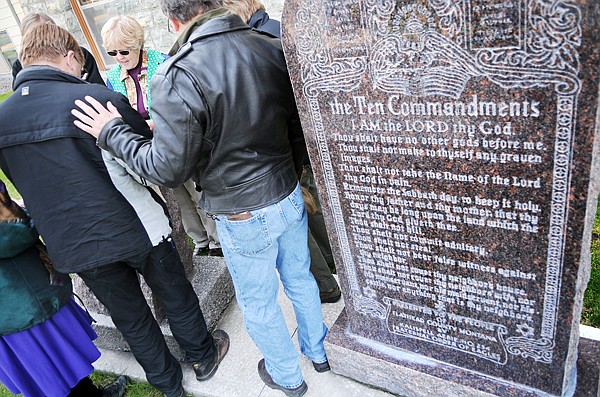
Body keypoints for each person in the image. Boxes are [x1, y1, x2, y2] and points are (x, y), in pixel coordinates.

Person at [72, 1, 330, 396]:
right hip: (283, 191)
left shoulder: (178, 73)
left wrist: (112, 131)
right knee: (298, 277)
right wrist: (293, 176)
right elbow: (296, 129)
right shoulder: (267, 43)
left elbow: (165, 170)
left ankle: (287, 375)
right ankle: (318, 351)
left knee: (260, 301)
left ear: (173, 19)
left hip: (243, 208)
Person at [0, 23, 228, 397]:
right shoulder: (95, 98)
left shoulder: (4, 120)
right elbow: (144, 158)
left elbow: (16, 181)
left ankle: (168, 383)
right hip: (132, 223)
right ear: (71, 56)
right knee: (174, 293)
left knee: (130, 317)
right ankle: (202, 356)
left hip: (73, 242)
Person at [223, 0, 341, 303]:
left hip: (286, 143)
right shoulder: (274, 29)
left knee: (300, 211)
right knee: (312, 205)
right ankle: (335, 262)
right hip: (303, 137)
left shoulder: (261, 40)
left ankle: (326, 284)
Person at [102, 15, 222, 256]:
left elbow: (184, 103)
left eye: (123, 51)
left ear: (137, 44)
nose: (119, 58)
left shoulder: (164, 63)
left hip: (178, 140)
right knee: (176, 197)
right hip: (150, 147)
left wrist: (157, 121)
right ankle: (199, 240)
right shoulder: (113, 76)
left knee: (196, 189)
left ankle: (217, 240)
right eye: (112, 53)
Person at [0, 180, 129, 397]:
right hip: (19, 301)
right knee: (54, 362)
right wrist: (31, 214)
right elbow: (10, 233)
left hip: (11, 305)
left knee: (45, 371)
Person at [11, 12, 104, 88]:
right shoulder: (19, 67)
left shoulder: (79, 54)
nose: (39, 39)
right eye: (33, 35)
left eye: (45, 32)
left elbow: (99, 88)